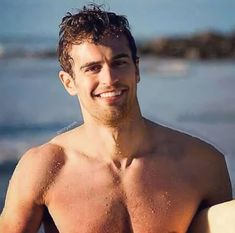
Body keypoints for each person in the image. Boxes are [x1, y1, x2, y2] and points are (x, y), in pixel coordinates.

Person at [0, 4, 232, 233]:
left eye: (119, 63)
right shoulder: (44, 169)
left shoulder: (203, 165)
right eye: (92, 68)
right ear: (69, 82)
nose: (109, 79)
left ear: (137, 70)